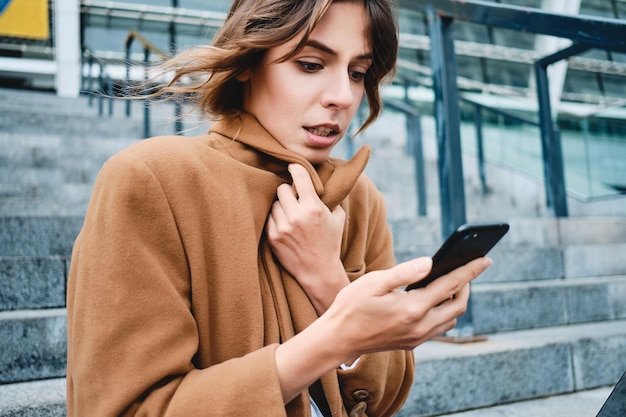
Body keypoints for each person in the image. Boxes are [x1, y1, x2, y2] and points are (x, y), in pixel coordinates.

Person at [66, 0, 492, 416]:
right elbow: (128, 406)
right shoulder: (151, 180)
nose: (343, 96)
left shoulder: (359, 199)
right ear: (250, 60)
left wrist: (327, 280)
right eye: (310, 64)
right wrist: (334, 338)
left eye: (358, 72)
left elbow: (381, 400)